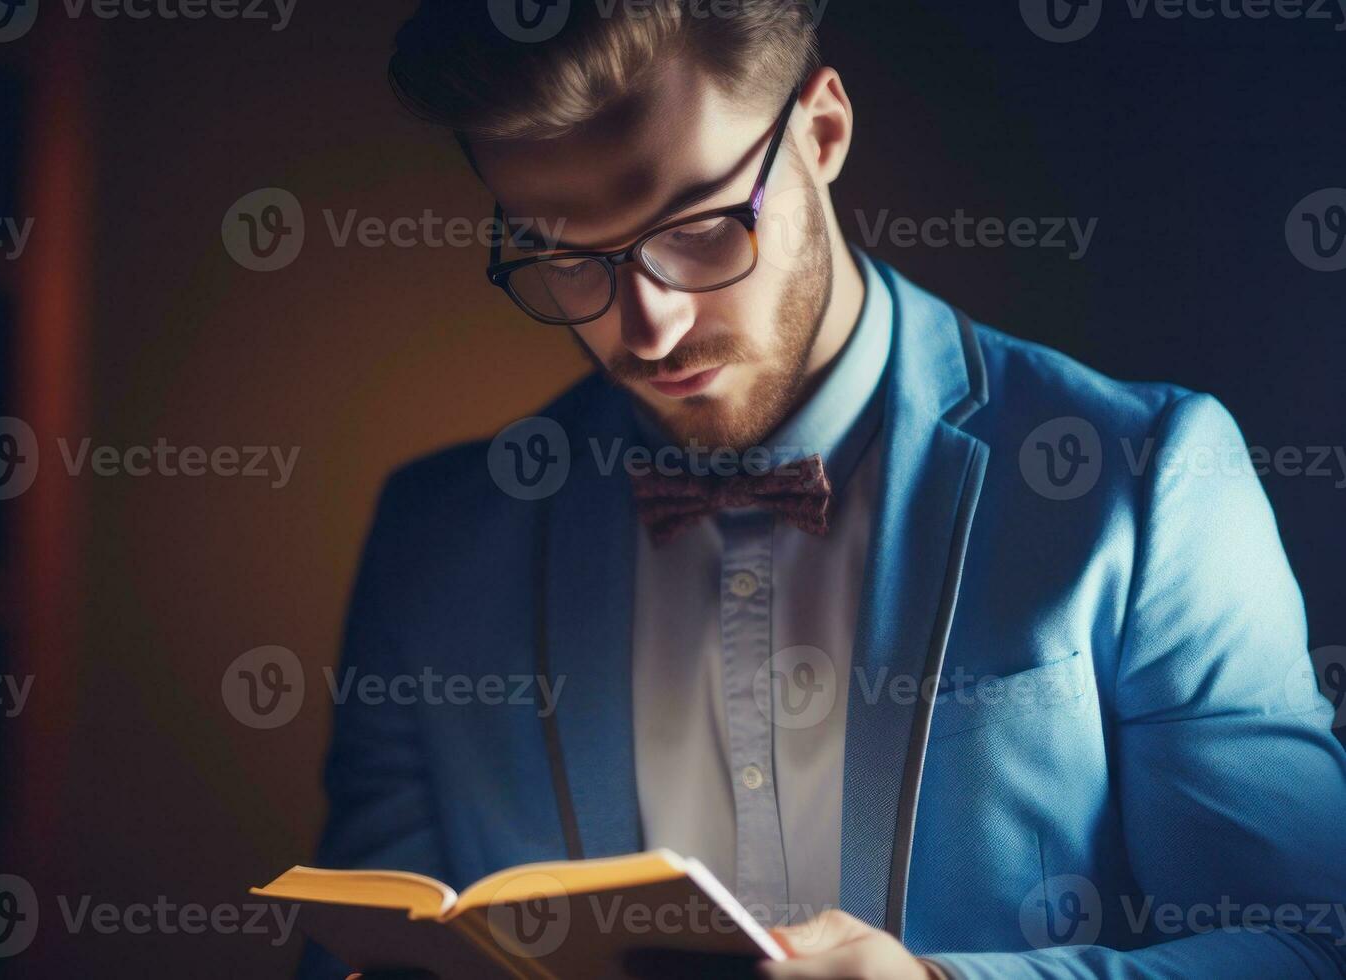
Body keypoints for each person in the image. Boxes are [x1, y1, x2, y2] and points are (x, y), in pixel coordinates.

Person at [304, 2, 1346, 976]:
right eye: (559, 252)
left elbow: (1304, 946)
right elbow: (368, 942)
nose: (648, 324)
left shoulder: (1154, 478)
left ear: (824, 130)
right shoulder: (435, 541)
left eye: (699, 225)